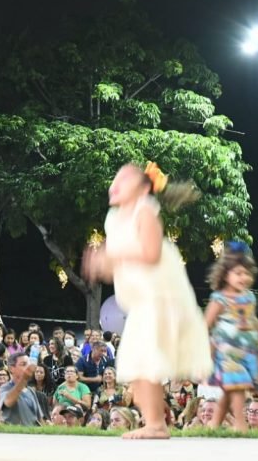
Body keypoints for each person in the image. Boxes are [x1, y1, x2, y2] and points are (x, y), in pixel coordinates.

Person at [80, 162, 212, 439]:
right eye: (114, 179)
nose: (114, 184)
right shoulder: (113, 218)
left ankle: (156, 424)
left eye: (123, 179)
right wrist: (103, 265)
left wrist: (111, 257)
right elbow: (122, 260)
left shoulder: (145, 211)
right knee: (136, 365)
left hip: (160, 296)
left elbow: (150, 254)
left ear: (142, 188)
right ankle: (156, 423)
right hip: (141, 299)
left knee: (141, 359)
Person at [204, 244, 258, 432]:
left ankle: (215, 423)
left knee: (232, 388)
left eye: (247, 273)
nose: (244, 277)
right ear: (226, 274)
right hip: (226, 351)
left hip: (247, 350)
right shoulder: (219, 298)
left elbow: (254, 320)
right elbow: (207, 323)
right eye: (238, 273)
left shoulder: (249, 297)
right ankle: (240, 424)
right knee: (237, 384)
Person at [0, 352, 45, 426]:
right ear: (11, 369)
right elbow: (8, 402)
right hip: (16, 435)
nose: (27, 367)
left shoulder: (31, 391)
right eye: (23, 364)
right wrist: (24, 379)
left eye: (28, 364)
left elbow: (39, 419)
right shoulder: (5, 388)